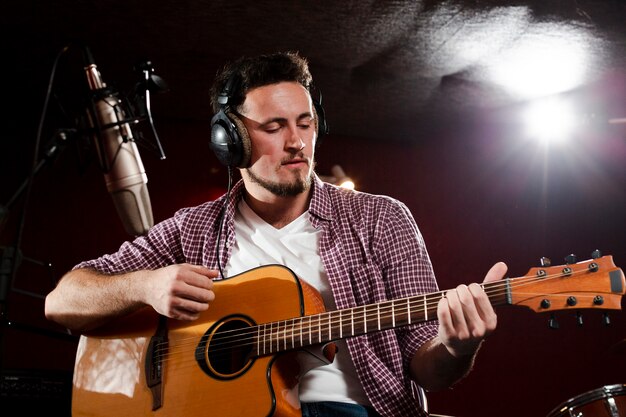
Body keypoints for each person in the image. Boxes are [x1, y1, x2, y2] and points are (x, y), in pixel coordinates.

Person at [45, 51, 507, 417]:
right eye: (274, 127)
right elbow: (62, 301)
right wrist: (145, 284)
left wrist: (456, 346)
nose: (297, 142)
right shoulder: (193, 229)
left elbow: (428, 370)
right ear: (231, 141)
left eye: (305, 124)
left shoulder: (382, 220)